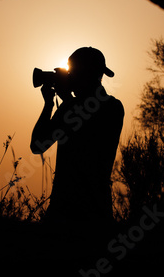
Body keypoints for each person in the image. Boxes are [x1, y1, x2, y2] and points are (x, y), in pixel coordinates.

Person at [30, 47, 124, 227]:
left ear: (82, 73)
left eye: (71, 72)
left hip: (66, 209)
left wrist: (49, 104)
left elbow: (38, 145)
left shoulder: (71, 108)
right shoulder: (114, 107)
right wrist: (66, 100)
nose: (69, 77)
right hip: (98, 208)